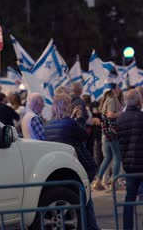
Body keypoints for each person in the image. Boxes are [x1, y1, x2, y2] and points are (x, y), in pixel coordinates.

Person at [44, 94, 100, 230]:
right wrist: (79, 118)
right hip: (81, 166)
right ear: (66, 106)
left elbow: (67, 131)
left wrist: (72, 119)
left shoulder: (48, 125)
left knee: (80, 200)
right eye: (69, 103)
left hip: (62, 170)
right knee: (86, 201)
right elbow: (83, 135)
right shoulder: (69, 123)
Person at [117, 89, 143, 230]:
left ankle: (127, 227)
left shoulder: (120, 119)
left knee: (130, 198)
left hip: (130, 165)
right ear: (139, 101)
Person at [92, 84, 122, 191]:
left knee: (108, 157)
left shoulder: (107, 99)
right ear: (113, 90)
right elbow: (110, 115)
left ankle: (98, 180)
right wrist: (121, 113)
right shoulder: (111, 100)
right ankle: (115, 182)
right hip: (112, 133)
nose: (120, 89)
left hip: (105, 133)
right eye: (118, 88)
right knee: (117, 157)